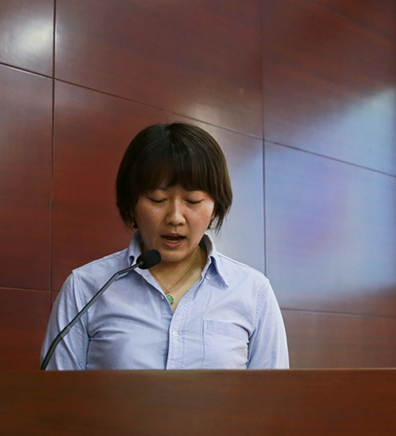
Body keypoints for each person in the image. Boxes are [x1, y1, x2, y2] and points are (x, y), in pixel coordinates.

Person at [41, 122, 289, 370]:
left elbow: (272, 393)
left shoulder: (252, 292)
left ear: (215, 207)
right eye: (157, 199)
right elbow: (57, 391)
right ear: (131, 204)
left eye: (193, 200)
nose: (175, 218)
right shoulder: (86, 288)